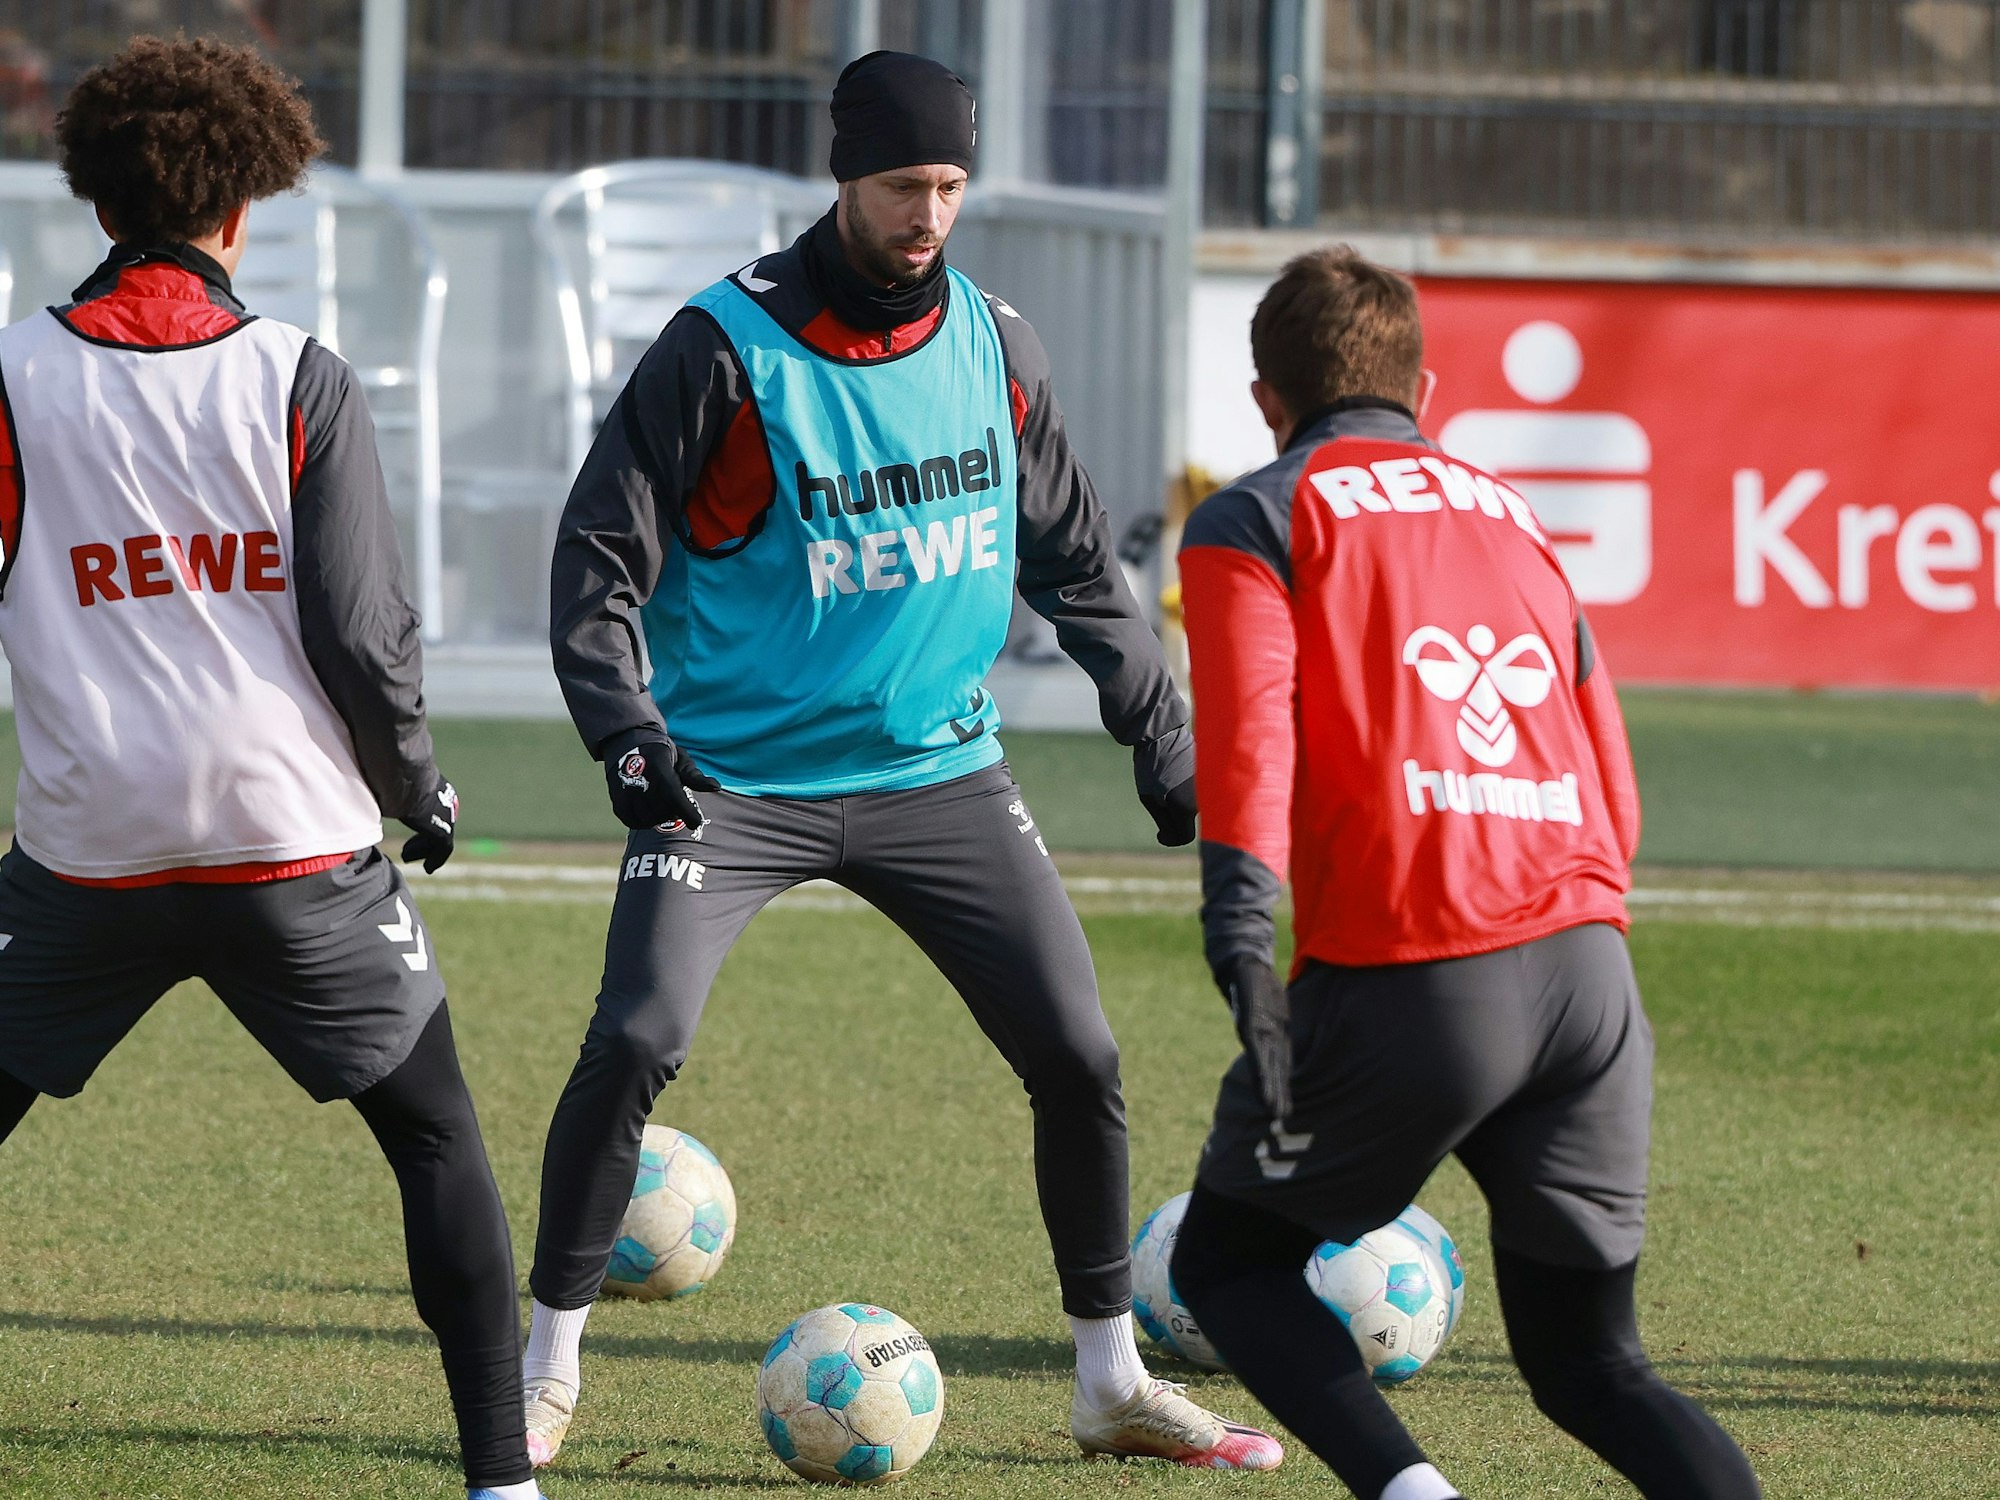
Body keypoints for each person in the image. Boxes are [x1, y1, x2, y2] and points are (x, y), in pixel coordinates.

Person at [528, 49, 1280, 1474]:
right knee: (634, 1036)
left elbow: (1075, 556)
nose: (926, 214)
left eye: (946, 184)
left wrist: (1161, 730)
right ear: (841, 177)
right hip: (733, 786)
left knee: (1081, 1054)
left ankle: (1110, 1383)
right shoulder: (724, 347)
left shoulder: (996, 344)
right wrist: (628, 735)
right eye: (900, 187)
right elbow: (597, 557)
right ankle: (544, 1374)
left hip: (941, 776)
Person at [0, 39, 546, 1500]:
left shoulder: (12, 376)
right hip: (292, 851)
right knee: (436, 1140)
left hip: (81, 861)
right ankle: (504, 1479)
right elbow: (364, 637)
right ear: (243, 206)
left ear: (96, 200)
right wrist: (416, 784)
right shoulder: (297, 373)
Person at [1167, 247, 1762, 1500]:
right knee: (1593, 1368)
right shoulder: (1518, 517)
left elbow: (1248, 737)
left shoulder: (1256, 513)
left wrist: (1238, 932)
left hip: (1416, 968)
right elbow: (1611, 767)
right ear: (1424, 391)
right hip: (1588, 975)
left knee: (1227, 1268)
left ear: (1265, 399)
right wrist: (1571, 934)